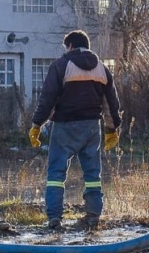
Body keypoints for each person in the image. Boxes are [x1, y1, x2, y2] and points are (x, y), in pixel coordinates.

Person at [28, 30, 122, 231]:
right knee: (92, 175)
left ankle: (54, 219)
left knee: (56, 173)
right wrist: (112, 129)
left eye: (66, 47)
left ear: (70, 45)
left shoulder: (61, 66)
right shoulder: (102, 69)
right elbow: (111, 103)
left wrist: (37, 124)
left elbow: (48, 99)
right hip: (91, 127)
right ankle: (93, 215)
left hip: (64, 126)